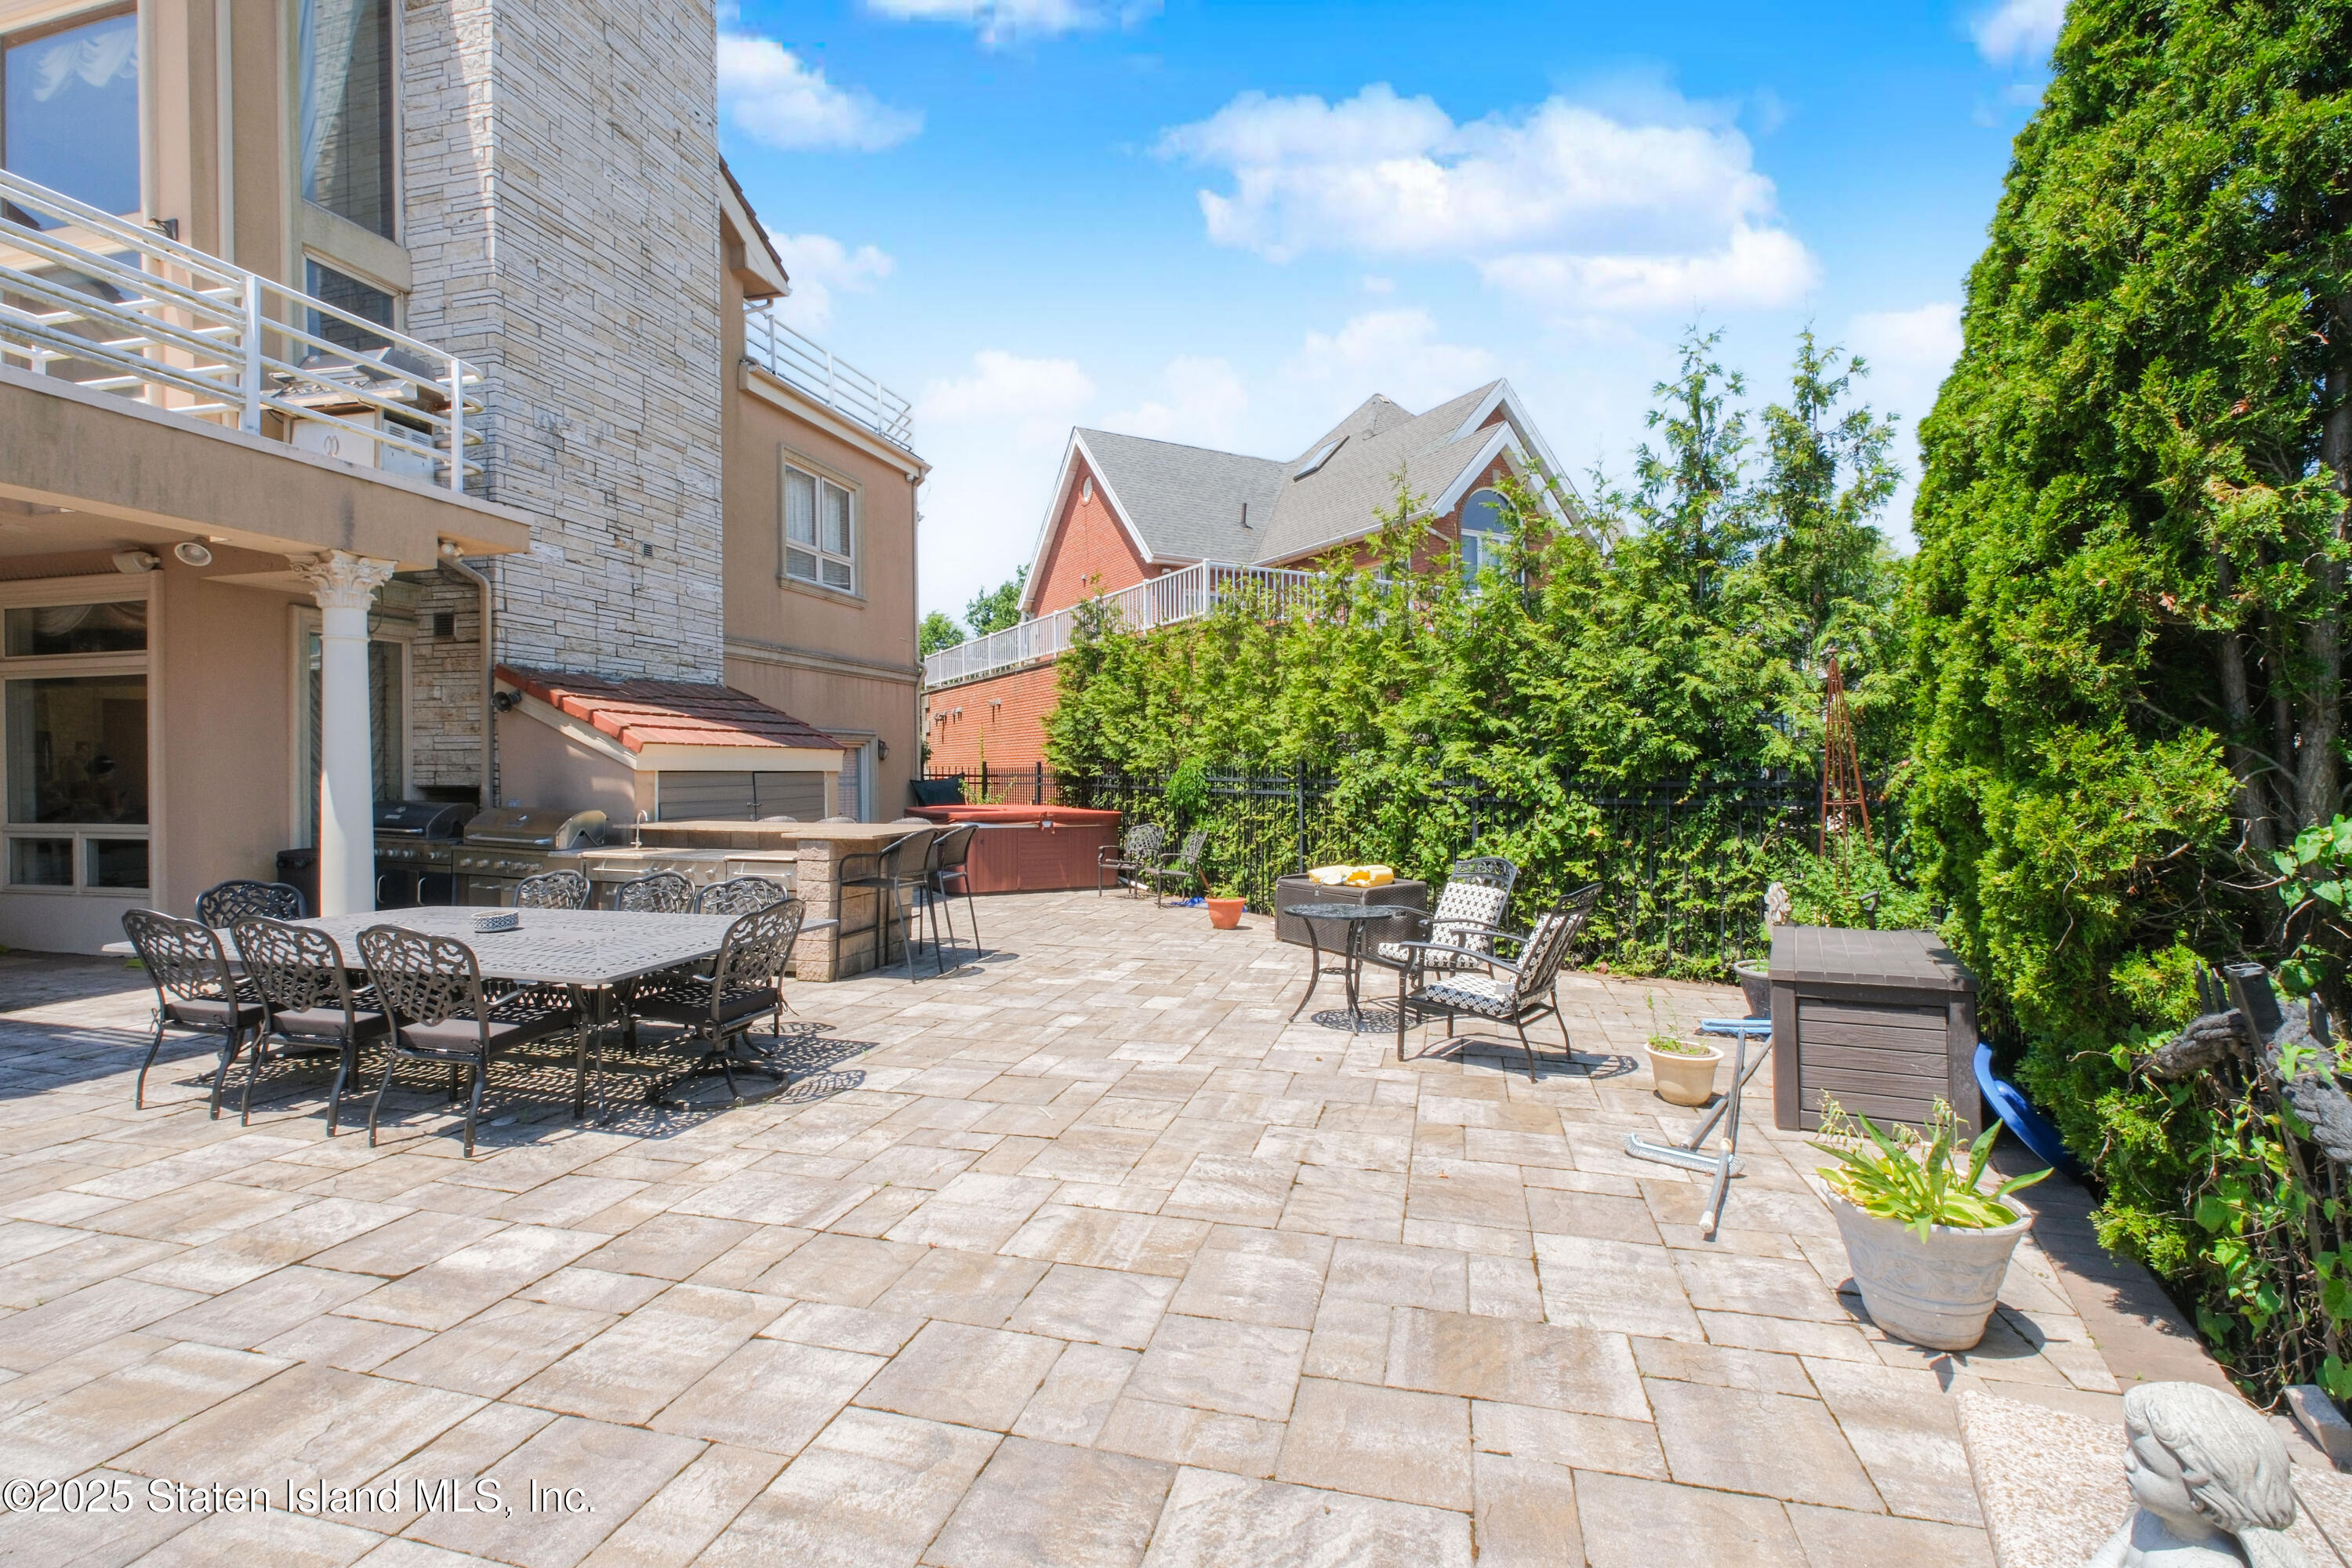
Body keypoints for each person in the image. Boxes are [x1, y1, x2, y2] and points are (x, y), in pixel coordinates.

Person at [2089, 1382, 2307, 1567]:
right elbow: (2105, 1559)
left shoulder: (2213, 1563)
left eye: (2146, 1462)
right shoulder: (2149, 1518)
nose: (2127, 1462)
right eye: (2130, 1449)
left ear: (2205, 1496)